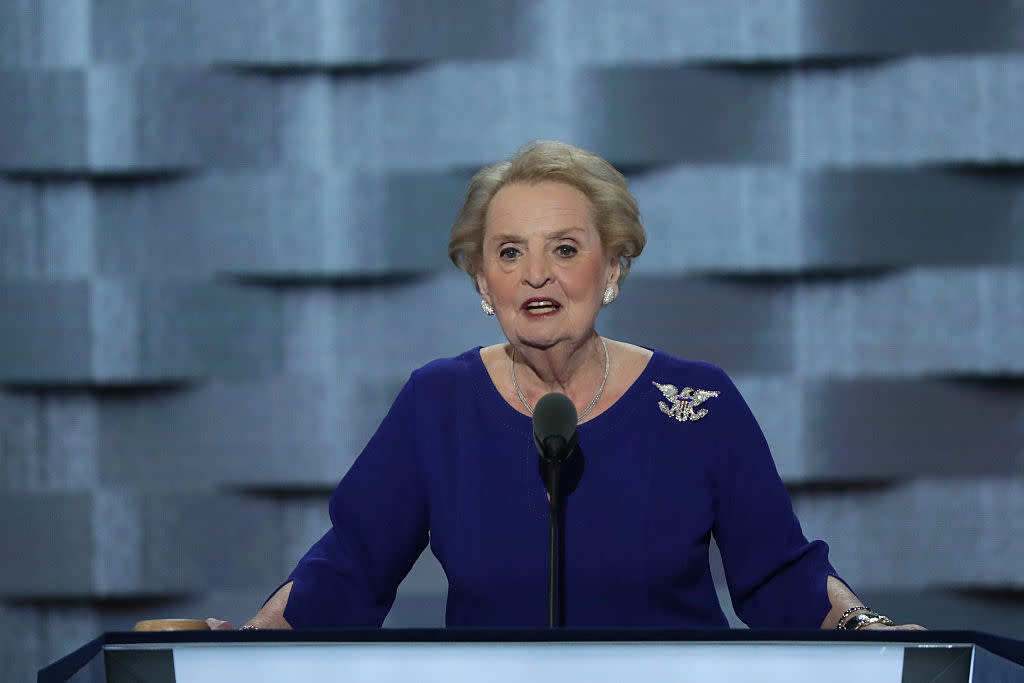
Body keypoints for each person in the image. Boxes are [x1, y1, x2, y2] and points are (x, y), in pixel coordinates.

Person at [208, 140, 921, 632]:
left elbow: (779, 578)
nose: (536, 274)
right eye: (509, 252)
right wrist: (244, 647)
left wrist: (867, 630)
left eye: (565, 249)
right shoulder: (439, 403)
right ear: (484, 283)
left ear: (611, 270)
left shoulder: (700, 404)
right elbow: (349, 570)